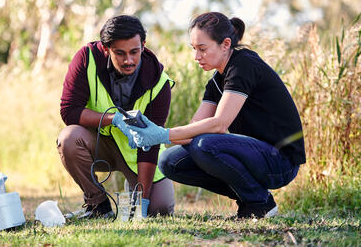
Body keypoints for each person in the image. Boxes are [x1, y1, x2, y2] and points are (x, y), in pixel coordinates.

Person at [124, 12, 305, 219]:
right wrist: (151, 133)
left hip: (279, 162)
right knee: (169, 161)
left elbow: (219, 124)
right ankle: (251, 200)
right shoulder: (216, 82)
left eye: (202, 49)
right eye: (194, 49)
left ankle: (260, 203)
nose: (196, 57)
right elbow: (193, 131)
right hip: (253, 155)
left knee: (205, 145)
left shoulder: (243, 65)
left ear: (225, 44)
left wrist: (163, 134)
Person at [57, 15, 175, 219]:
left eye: (134, 52)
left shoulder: (159, 82)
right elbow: (69, 110)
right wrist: (114, 119)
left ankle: (134, 194)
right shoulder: (86, 59)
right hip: (98, 144)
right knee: (68, 138)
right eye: (120, 53)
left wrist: (142, 202)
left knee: (160, 210)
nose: (128, 60)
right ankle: (98, 205)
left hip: (137, 152)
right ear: (106, 48)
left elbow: (152, 143)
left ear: (143, 45)